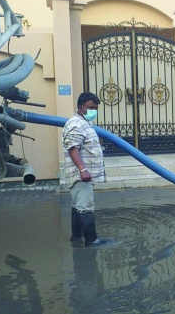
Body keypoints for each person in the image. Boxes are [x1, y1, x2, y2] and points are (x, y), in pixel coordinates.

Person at [62, 92, 113, 247]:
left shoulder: (85, 123)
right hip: (80, 175)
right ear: (81, 107)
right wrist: (83, 169)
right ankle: (91, 239)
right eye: (90, 107)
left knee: (78, 205)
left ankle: (76, 237)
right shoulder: (76, 124)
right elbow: (73, 148)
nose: (93, 111)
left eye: (96, 108)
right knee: (85, 205)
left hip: (83, 175)